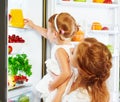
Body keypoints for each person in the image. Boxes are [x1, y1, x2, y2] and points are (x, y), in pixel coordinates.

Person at [25, 12, 78, 102]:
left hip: (58, 84)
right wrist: (33, 26)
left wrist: (52, 85)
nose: (47, 31)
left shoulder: (60, 50)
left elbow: (66, 73)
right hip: (63, 82)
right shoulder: (68, 44)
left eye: (49, 29)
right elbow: (47, 34)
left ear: (54, 34)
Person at [49, 37, 112, 102]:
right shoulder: (96, 87)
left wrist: (60, 91)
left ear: (80, 66)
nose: (71, 49)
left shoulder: (79, 97)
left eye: (73, 52)